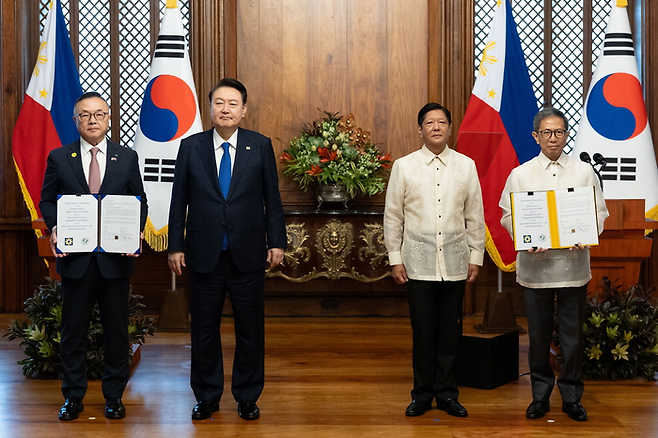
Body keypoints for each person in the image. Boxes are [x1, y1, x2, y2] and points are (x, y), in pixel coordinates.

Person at [168, 78, 287, 421]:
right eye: (219, 103)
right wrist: (175, 245)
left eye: (233, 104)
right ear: (210, 108)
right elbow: (179, 202)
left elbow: (272, 200)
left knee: (249, 330)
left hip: (247, 252)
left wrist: (276, 241)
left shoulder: (259, 145)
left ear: (244, 110)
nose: (225, 109)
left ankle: (247, 396)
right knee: (204, 331)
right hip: (203, 252)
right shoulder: (191, 147)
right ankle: (206, 396)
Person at [40, 91, 148, 421]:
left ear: (108, 119)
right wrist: (56, 226)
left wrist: (136, 230)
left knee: (116, 332)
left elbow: (138, 201)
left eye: (99, 114)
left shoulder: (126, 157)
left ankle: (114, 396)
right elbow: (46, 201)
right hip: (76, 260)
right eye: (85, 115)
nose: (92, 120)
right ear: (75, 121)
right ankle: (73, 398)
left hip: (115, 260)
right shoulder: (59, 157)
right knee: (74, 332)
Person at [499, 107, 608, 422]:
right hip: (535, 268)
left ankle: (572, 396)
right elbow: (508, 215)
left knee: (573, 336)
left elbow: (599, 212)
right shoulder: (521, 174)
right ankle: (539, 395)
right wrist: (524, 235)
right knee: (538, 336)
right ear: (535, 136)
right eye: (546, 132)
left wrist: (587, 233)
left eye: (559, 132)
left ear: (567, 135)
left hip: (573, 267)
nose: (553, 138)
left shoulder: (584, 172)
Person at [384, 103, 485, 418]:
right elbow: (393, 216)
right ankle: (422, 395)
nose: (436, 127)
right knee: (423, 333)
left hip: (456, 261)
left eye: (442, 122)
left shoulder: (466, 166)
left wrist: (476, 255)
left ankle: (448, 394)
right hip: (417, 263)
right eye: (430, 122)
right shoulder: (404, 166)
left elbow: (475, 215)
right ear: (420, 129)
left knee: (449, 334)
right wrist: (395, 258)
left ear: (450, 128)